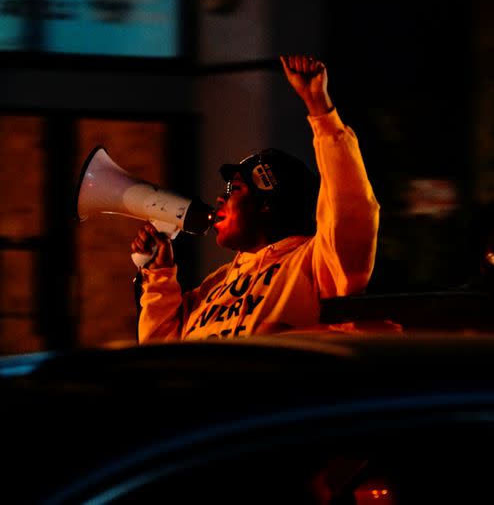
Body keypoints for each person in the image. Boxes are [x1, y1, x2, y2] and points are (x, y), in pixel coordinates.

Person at [130, 54, 388, 341]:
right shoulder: (214, 285)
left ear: (266, 204)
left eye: (233, 189)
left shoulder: (316, 264)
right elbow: (161, 352)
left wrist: (320, 110)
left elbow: (349, 207)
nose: (220, 197)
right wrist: (159, 275)